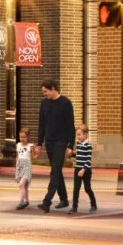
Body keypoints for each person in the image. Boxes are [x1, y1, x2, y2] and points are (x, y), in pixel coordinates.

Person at [36, 82, 77, 211]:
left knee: (54, 170)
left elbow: (71, 125)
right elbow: (41, 125)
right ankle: (64, 199)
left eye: (45, 91)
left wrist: (71, 144)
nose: (44, 94)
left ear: (53, 89)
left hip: (61, 141)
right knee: (57, 170)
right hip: (49, 141)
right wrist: (39, 143)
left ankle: (47, 201)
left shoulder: (65, 103)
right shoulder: (44, 104)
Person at [71, 127, 98, 213]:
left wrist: (83, 170)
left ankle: (93, 205)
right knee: (76, 188)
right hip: (77, 168)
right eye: (77, 135)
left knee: (87, 188)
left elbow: (88, 160)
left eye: (79, 134)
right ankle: (74, 207)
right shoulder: (78, 144)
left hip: (85, 170)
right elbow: (78, 156)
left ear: (85, 134)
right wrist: (71, 154)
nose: (78, 137)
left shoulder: (88, 146)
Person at [13, 127, 33, 210]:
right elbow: (17, 156)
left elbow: (34, 157)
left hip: (27, 166)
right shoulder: (18, 145)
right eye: (21, 137)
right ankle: (26, 201)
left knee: (21, 184)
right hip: (19, 166)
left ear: (28, 137)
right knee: (25, 186)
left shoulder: (30, 146)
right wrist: (16, 167)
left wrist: (37, 152)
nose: (22, 139)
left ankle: (21, 202)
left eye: (24, 137)